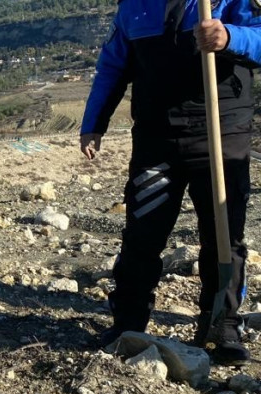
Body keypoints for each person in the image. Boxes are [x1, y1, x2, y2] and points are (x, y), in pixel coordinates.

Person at [80, 0, 261, 365]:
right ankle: (128, 324)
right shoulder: (134, 6)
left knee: (224, 234)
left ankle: (221, 325)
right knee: (142, 233)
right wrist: (93, 124)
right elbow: (113, 66)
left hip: (221, 132)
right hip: (155, 139)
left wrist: (230, 36)